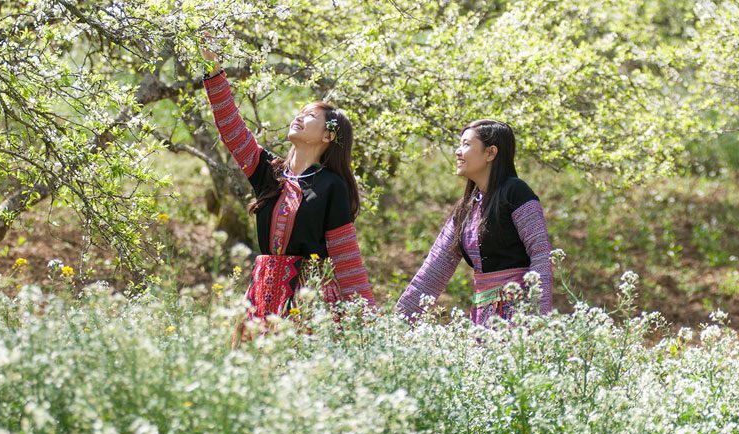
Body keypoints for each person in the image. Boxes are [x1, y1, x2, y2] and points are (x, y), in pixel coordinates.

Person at [200, 36, 375, 345]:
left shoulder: (331, 186)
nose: (298, 117)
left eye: (310, 116)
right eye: (301, 112)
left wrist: (370, 326)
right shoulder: (269, 172)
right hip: (261, 294)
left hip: (308, 303)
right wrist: (213, 69)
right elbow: (231, 129)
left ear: (327, 136)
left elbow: (346, 260)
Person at [396, 120, 552, 325]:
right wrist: (398, 322)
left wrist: (539, 320)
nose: (457, 152)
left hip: (520, 319)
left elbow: (541, 254)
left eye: (466, 144)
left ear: (490, 153)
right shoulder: (467, 206)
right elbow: (435, 268)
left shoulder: (516, 192)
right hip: (482, 320)